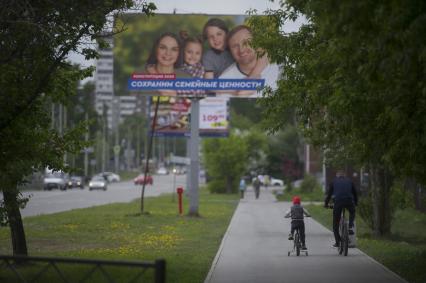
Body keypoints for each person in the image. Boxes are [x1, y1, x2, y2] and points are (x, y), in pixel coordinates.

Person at [219, 25, 280, 98]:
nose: (241, 50)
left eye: (246, 42)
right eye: (235, 46)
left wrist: (253, 77)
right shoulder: (224, 80)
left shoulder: (278, 64)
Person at [145, 32, 191, 96]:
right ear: (156, 49)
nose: (168, 53)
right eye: (163, 48)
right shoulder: (139, 74)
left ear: (179, 53)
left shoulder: (187, 78)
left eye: (174, 49)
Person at [324, 170, 358, 248]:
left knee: (335, 223)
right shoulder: (350, 181)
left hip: (338, 202)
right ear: (344, 176)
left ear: (337, 176)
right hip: (349, 201)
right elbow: (355, 193)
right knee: (352, 212)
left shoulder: (334, 181)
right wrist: (355, 203)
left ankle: (338, 242)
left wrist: (326, 204)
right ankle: (350, 227)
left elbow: (329, 195)